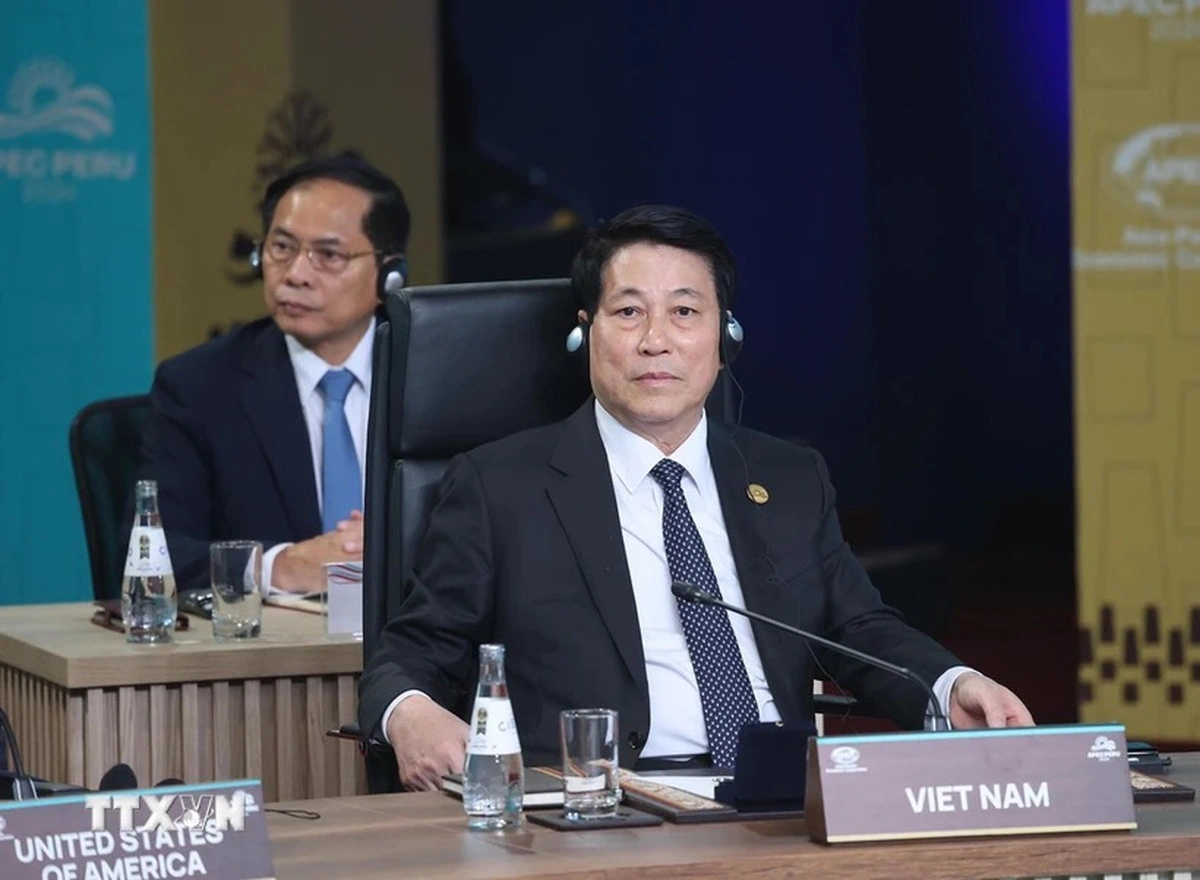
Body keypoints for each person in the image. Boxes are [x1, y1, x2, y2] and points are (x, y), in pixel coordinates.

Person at [359, 205, 1033, 791]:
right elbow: (414, 649)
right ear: (586, 330)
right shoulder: (499, 485)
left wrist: (952, 684)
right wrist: (410, 711)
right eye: (628, 312)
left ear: (724, 334)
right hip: (602, 810)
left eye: (685, 312)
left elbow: (859, 628)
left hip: (786, 802)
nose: (656, 340)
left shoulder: (789, 476)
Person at [136, 153, 410, 593]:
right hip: (272, 653)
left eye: (329, 255)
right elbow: (151, 554)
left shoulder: (435, 379)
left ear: (389, 275)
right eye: (281, 248)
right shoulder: (200, 387)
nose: (295, 275)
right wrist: (279, 567)